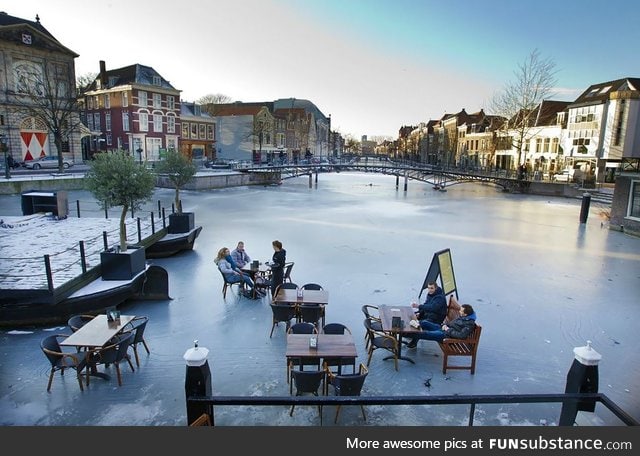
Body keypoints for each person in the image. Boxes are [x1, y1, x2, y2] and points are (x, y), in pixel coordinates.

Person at [406, 304, 477, 348]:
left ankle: (403, 334)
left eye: (461, 311)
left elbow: (461, 336)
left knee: (425, 334)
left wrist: (447, 330)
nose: (459, 311)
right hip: (443, 329)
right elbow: (451, 323)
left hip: (447, 337)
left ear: (465, 314)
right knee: (425, 323)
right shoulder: (463, 317)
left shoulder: (469, 323)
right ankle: (406, 327)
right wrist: (444, 325)